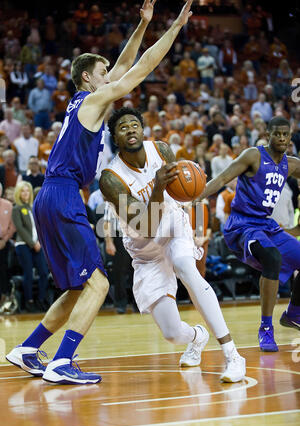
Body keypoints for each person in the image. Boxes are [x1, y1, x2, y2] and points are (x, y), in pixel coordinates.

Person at [6, 0, 195, 385]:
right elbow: (139, 70)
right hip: (62, 196)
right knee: (100, 283)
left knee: (79, 286)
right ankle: (62, 361)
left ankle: (28, 348)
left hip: (50, 195)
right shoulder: (93, 101)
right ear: (90, 79)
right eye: (104, 72)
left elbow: (124, 64)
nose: (111, 74)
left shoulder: (85, 102)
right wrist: (173, 29)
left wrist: (142, 26)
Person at [100, 107, 246, 383]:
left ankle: (233, 355)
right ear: (115, 138)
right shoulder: (110, 179)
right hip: (145, 249)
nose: (130, 129)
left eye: (135, 124)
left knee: (185, 266)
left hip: (173, 225)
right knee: (171, 333)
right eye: (123, 127)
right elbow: (145, 226)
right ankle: (197, 336)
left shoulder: (162, 150)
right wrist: (156, 188)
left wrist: (198, 226)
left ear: (142, 130)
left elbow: (184, 194)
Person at [197, 116, 300, 352]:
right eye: (277, 134)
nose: (282, 138)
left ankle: (293, 314)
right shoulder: (253, 155)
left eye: (286, 134)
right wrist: (196, 197)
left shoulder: (291, 164)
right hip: (242, 225)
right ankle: (265, 328)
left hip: (266, 225)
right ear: (268, 135)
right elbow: (223, 178)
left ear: (290, 137)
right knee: (272, 259)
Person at [11, 181, 49, 313]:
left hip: (38, 245)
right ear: (18, 193)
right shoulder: (16, 208)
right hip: (23, 245)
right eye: (23, 191)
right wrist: (33, 244)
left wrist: (38, 242)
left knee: (44, 272)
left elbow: (40, 227)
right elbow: (20, 229)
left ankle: (41, 299)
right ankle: (29, 301)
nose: (25, 193)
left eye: (27, 191)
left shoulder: (34, 207)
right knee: (28, 274)